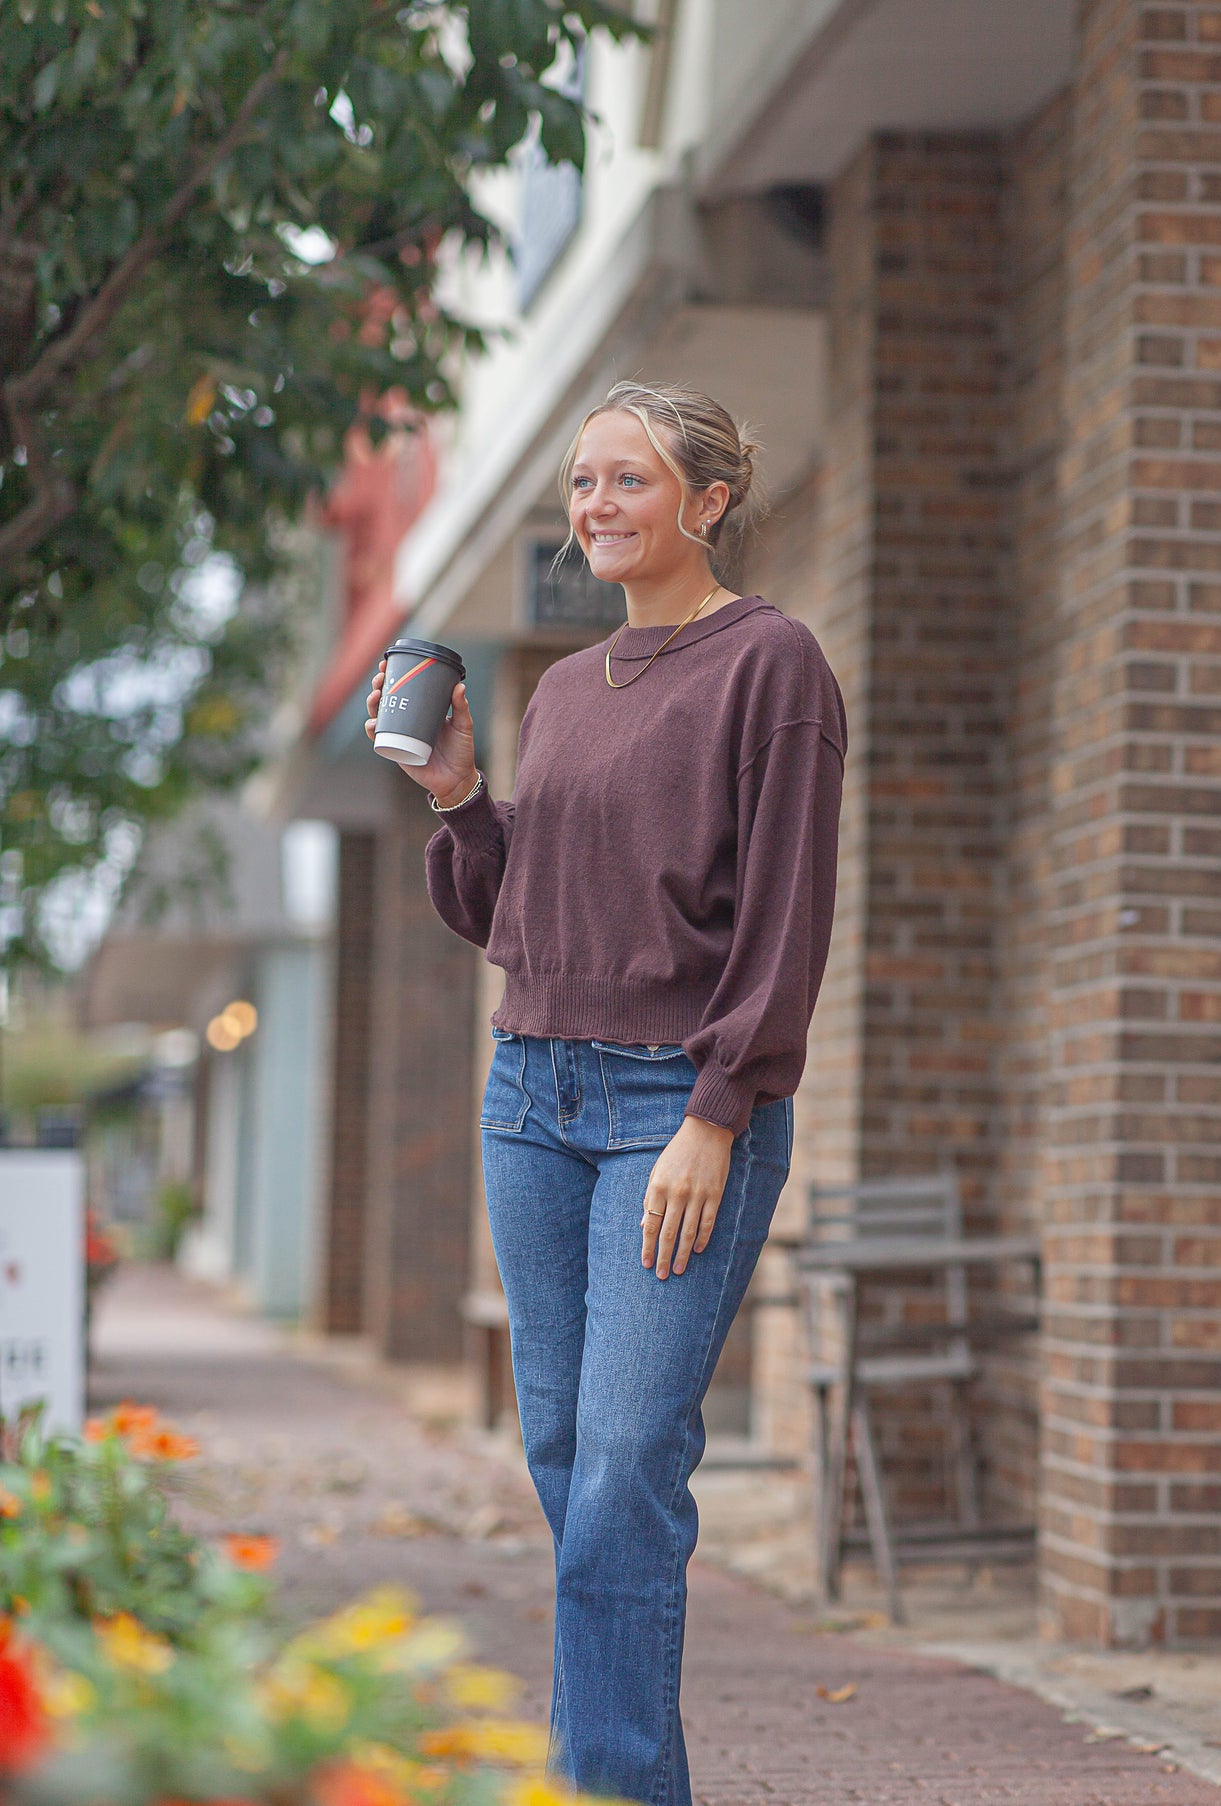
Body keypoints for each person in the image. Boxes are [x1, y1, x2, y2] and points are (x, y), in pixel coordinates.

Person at [365, 381, 846, 1806]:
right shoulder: (565, 690)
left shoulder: (773, 664)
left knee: (627, 1460)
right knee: (570, 1458)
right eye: (584, 483)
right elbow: (513, 915)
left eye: (628, 479)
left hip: (672, 1109)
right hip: (532, 1094)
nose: (596, 506)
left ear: (708, 500)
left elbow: (785, 918)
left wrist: (718, 1109)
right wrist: (462, 797)